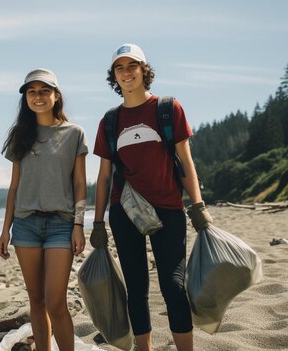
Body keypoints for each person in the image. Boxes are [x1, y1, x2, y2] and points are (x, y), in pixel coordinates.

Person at [91, 43, 213, 351]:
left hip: (168, 208)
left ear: (145, 70)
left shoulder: (168, 109)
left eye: (132, 65)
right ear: (114, 77)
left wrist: (197, 206)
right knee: (136, 287)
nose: (126, 72)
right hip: (124, 211)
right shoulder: (109, 121)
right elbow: (104, 176)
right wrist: (97, 222)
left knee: (174, 286)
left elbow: (186, 162)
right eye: (120, 67)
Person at [0, 68, 87, 351]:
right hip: (25, 226)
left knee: (56, 301)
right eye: (31, 91)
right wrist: (4, 230)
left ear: (56, 95)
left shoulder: (74, 133)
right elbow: (14, 187)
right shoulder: (20, 135)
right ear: (25, 98)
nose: (38, 96)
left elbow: (80, 184)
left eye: (44, 90)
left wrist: (79, 225)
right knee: (35, 300)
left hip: (61, 225)